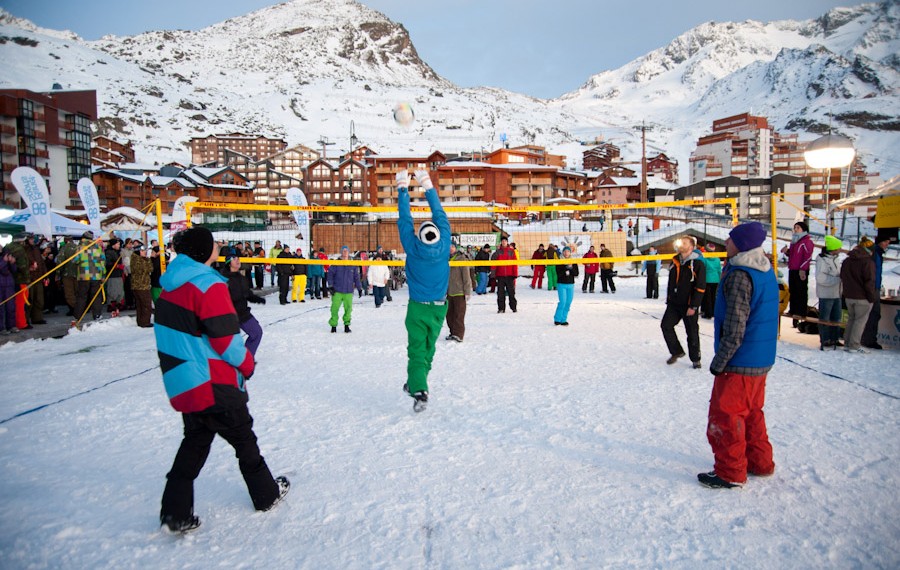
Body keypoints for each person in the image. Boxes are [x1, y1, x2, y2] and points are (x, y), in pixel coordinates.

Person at [154, 227, 288, 534]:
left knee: (195, 441)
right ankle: (266, 495)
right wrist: (247, 364)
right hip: (213, 381)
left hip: (185, 379)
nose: (218, 247)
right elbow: (226, 339)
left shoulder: (170, 284)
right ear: (203, 251)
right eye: (214, 243)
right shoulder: (208, 284)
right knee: (244, 439)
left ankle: (175, 511)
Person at [699, 221, 778, 489]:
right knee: (752, 413)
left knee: (726, 416)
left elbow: (735, 328)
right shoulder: (764, 269)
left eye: (730, 239)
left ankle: (730, 472)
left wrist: (720, 362)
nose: (726, 243)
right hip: (760, 357)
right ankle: (760, 463)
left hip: (740, 360)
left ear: (741, 244)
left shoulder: (740, 276)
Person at [396, 169, 451, 412]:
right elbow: (439, 214)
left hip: (418, 308)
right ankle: (416, 382)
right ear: (438, 235)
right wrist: (427, 185)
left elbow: (405, 219)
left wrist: (403, 188)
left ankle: (419, 389)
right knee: (429, 349)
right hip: (439, 309)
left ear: (419, 237)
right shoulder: (445, 244)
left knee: (418, 351)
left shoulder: (413, 248)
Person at [661, 236, 706, 369]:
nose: (681, 245)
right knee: (666, 326)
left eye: (684, 243)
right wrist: (669, 298)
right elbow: (671, 282)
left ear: (691, 247)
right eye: (681, 242)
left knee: (692, 332)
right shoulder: (675, 261)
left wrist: (694, 306)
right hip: (674, 303)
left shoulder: (697, 264)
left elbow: (700, 287)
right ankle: (677, 351)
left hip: (689, 304)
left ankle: (695, 359)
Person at [220, 250, 267, 357]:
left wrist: (258, 299)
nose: (238, 260)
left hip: (243, 313)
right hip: (229, 316)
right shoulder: (223, 279)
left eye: (238, 258)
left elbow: (247, 294)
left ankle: (247, 358)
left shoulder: (241, 278)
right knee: (228, 343)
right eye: (234, 259)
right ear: (228, 263)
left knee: (257, 333)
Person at [840, 237, 876, 353]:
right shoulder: (868, 262)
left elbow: (842, 276)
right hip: (863, 297)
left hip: (848, 296)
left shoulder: (847, 261)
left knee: (851, 319)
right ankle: (854, 345)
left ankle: (847, 343)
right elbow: (869, 282)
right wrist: (872, 297)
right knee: (860, 321)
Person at [860, 230, 895, 349]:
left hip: (874, 286)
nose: (887, 244)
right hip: (872, 287)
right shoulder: (874, 253)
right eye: (886, 242)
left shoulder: (877, 253)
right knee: (874, 314)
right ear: (880, 242)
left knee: (873, 314)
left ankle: (867, 338)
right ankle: (869, 339)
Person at [781, 221, 814, 326]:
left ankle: (801, 311)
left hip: (801, 270)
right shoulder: (795, 241)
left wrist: (803, 268)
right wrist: (787, 252)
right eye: (795, 227)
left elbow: (807, 256)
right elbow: (794, 254)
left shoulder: (806, 241)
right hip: (793, 269)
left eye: (798, 228)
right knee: (793, 290)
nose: (795, 230)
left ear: (803, 229)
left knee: (801, 290)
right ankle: (793, 310)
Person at [814, 236, 844, 350]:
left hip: (837, 293)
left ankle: (834, 338)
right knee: (825, 318)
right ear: (834, 248)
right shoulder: (822, 260)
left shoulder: (835, 259)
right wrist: (837, 280)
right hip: (826, 294)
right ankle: (825, 339)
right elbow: (820, 278)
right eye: (839, 247)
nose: (840, 249)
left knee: (836, 318)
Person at [72, 231, 107, 324]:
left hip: (83, 276)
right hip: (96, 275)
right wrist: (103, 275)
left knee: (81, 296)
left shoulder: (80, 248)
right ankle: (97, 315)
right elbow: (103, 262)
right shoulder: (98, 248)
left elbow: (74, 260)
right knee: (96, 296)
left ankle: (78, 316)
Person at [327, 246, 361, 333]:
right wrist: (330, 286)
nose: (345, 252)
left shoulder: (352, 264)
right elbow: (330, 274)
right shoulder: (336, 263)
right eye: (343, 251)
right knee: (334, 308)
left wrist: (359, 288)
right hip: (337, 290)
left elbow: (356, 277)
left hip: (348, 290)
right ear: (341, 252)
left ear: (349, 252)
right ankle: (333, 325)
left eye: (346, 251)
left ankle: (347, 325)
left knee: (348, 309)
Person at [445, 242, 472, 342]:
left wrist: (467, 291)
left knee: (459, 314)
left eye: (452, 246)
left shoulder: (461, 258)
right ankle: (453, 332)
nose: (450, 248)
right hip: (449, 291)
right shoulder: (445, 259)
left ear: (456, 248)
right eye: (449, 246)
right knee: (449, 315)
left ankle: (459, 334)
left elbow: (466, 276)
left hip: (459, 291)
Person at [130, 244, 154, 328]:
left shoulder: (134, 259)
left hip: (137, 285)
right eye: (143, 251)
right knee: (146, 304)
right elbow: (149, 269)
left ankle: (140, 321)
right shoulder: (139, 260)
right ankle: (145, 322)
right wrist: (149, 259)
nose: (145, 252)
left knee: (140, 305)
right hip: (142, 285)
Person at [492, 236, 518, 313]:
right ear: (501, 242)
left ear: (507, 242)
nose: (504, 242)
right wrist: (493, 275)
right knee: (500, 293)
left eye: (505, 241)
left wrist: (515, 274)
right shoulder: (497, 252)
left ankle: (513, 307)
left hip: (510, 276)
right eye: (502, 241)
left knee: (511, 293)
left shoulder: (511, 251)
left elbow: (515, 264)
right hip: (500, 276)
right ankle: (501, 308)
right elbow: (493, 264)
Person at [554, 246, 578, 326]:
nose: (566, 253)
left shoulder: (573, 261)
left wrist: (571, 268)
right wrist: (566, 268)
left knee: (568, 302)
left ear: (570, 253)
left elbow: (576, 273)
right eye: (565, 251)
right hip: (561, 284)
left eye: (568, 251)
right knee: (562, 302)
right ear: (563, 252)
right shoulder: (559, 261)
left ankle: (563, 319)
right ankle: (557, 319)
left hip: (570, 284)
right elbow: (559, 274)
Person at [701, 242, 723, 319]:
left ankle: (708, 313)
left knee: (707, 297)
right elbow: (719, 270)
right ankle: (713, 311)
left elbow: (702, 270)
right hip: (716, 279)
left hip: (707, 279)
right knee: (713, 296)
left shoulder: (704, 259)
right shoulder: (717, 259)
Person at [104, 238, 125, 316]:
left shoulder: (117, 252)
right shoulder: (109, 252)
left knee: (119, 290)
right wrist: (117, 266)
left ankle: (118, 303)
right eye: (118, 244)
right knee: (113, 291)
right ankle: (112, 304)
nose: (119, 245)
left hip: (118, 274)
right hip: (112, 274)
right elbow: (108, 263)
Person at [0, 248, 17, 334]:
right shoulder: (3, 259)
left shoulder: (6, 255)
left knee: (11, 307)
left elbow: (14, 270)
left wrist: (12, 263)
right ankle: (1, 328)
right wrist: (4, 261)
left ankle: (11, 326)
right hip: (1, 285)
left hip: (9, 285)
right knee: (1, 308)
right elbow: (1, 269)